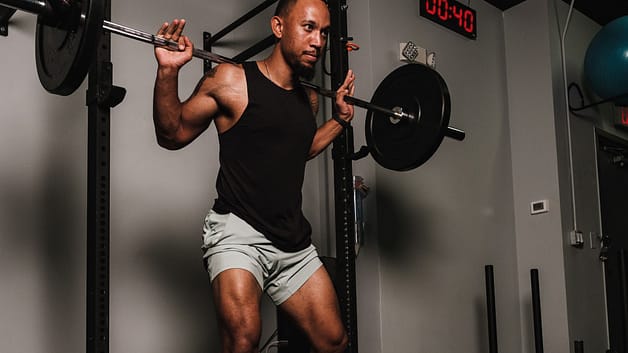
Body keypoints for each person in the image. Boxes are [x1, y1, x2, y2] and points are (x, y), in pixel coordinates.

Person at [151, 0, 355, 352]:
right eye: (308, 28)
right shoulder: (231, 80)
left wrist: (338, 121)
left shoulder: (309, 100)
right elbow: (172, 135)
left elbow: (298, 151)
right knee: (244, 338)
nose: (318, 41)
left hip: (291, 239)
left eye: (323, 32)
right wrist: (168, 73)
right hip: (238, 231)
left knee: (334, 341)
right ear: (278, 27)